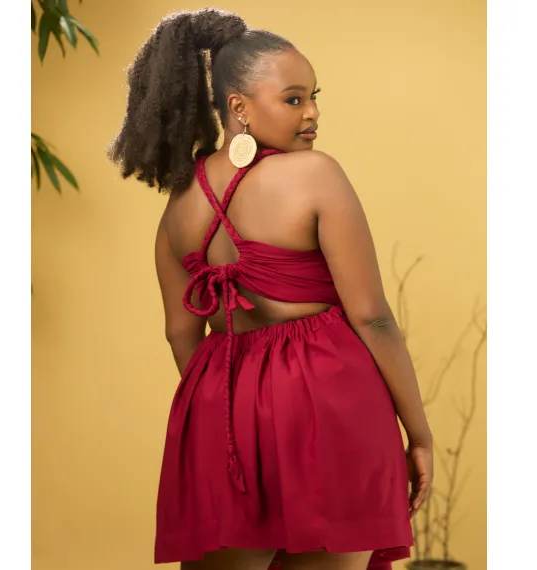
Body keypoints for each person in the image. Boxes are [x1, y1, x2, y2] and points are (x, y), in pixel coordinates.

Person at [108, 7, 434, 570]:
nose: (313, 113)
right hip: (328, 399)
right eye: (294, 99)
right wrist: (419, 434)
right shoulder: (316, 174)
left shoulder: (178, 205)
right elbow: (373, 317)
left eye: (314, 97)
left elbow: (181, 333)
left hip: (219, 407)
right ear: (239, 107)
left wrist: (231, 403)